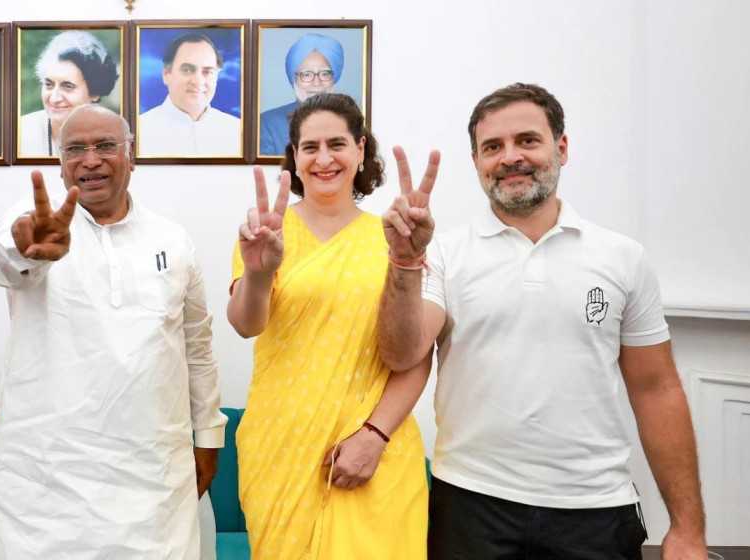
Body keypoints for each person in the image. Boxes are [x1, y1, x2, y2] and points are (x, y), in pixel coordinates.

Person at [377, 83, 708, 559]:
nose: (510, 157)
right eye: (493, 147)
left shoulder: (622, 258)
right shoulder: (446, 254)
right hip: (471, 507)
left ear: (562, 147)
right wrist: (405, 262)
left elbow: (657, 389)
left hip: (595, 510)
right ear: (476, 162)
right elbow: (402, 352)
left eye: (527, 140)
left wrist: (688, 529)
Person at [0, 104, 227, 559]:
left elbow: (196, 347)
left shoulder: (172, 240)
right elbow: (2, 261)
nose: (90, 159)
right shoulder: (37, 221)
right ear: (60, 164)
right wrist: (27, 248)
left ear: (131, 156)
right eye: (75, 149)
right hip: (38, 481)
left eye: (105, 146)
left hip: (149, 480)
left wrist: (209, 437)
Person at [227, 93, 435, 559]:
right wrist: (259, 270)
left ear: (360, 150)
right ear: (295, 158)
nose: (324, 159)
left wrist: (374, 437)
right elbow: (245, 324)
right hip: (281, 450)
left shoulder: (397, 236)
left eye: (337, 144)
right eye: (309, 147)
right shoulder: (268, 229)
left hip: (376, 450)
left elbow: (418, 355)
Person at [18, 30, 119, 157]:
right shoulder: (20, 133)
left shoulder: (115, 137)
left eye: (67, 86)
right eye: (49, 85)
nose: (54, 99)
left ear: (95, 92)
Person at [138, 32, 241, 157]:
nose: (198, 81)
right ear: (166, 74)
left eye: (207, 72)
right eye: (187, 70)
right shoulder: (139, 131)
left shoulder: (237, 131)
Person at [259, 33, 344, 157]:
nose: (316, 82)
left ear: (334, 78)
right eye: (306, 74)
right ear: (294, 79)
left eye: (325, 74)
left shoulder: (349, 120)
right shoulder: (268, 124)